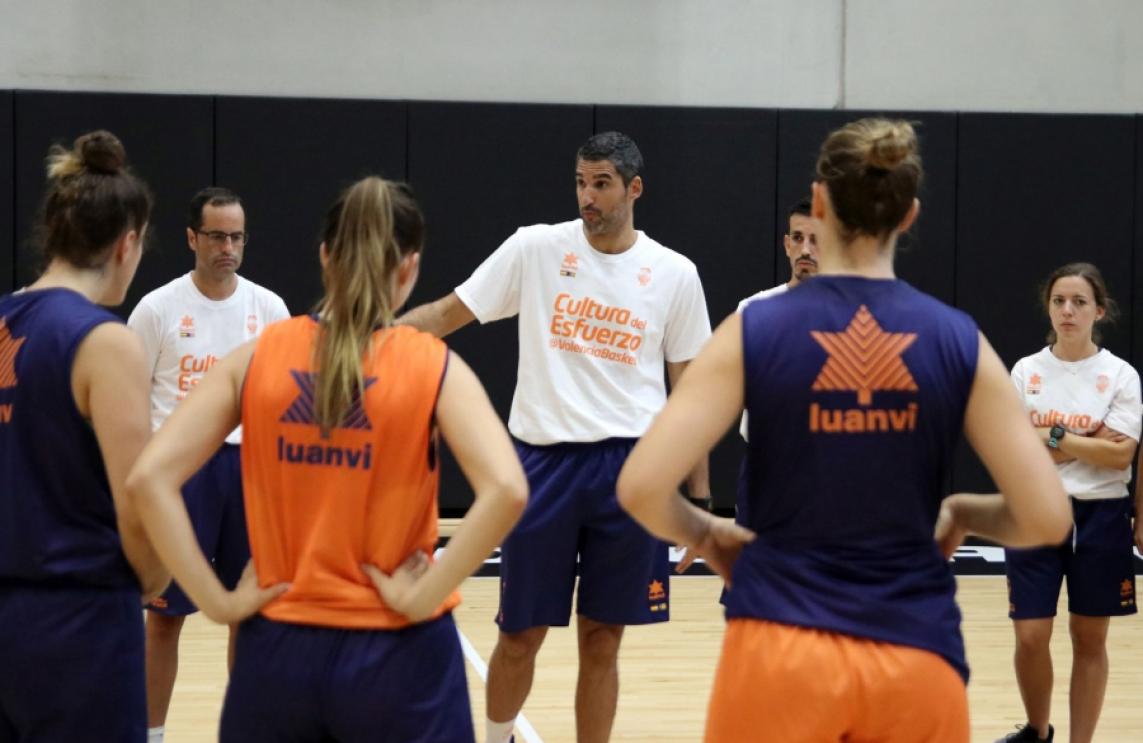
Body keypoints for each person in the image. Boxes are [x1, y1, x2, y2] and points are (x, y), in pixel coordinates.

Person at [616, 118, 1073, 743]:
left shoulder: (755, 328)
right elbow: (1047, 517)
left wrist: (710, 534)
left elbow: (640, 487)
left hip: (779, 651)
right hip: (917, 656)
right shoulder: (956, 338)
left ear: (821, 202)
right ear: (909, 215)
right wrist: (963, 512)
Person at [126, 176, 527, 742]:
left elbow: (148, 478)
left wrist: (217, 602)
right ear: (409, 268)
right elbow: (508, 490)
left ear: (324, 258)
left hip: (277, 653)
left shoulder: (256, 356)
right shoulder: (431, 364)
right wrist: (424, 594)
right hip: (399, 649)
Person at [398, 131, 712, 743]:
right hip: (543, 466)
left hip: (632, 472)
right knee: (519, 634)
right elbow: (446, 314)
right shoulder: (536, 248)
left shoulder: (675, 274)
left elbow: (691, 391)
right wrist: (362, 340)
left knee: (603, 639)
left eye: (601, 184)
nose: (587, 197)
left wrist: (697, 500)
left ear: (634, 189)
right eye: (580, 183)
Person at [0, 130, 167, 741]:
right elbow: (138, 503)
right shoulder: (104, 341)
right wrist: (155, 578)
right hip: (77, 622)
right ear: (128, 243)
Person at [127, 187, 290, 743]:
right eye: (217, 236)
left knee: (250, 613)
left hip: (250, 472)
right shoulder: (157, 309)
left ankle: (244, 731)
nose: (228, 248)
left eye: (237, 237)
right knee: (164, 616)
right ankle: (151, 734)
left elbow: (285, 402)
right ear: (192, 238)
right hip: (181, 472)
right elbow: (129, 400)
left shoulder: (269, 310)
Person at [996, 263, 1140, 743]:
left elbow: (1121, 455)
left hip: (1101, 513)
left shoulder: (1119, 375)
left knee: (1089, 638)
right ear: (1048, 308)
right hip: (1034, 511)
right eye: (1059, 301)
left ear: (1099, 311)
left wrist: (1052, 436)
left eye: (1079, 302)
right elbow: (1015, 447)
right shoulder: (1026, 372)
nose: (1068, 311)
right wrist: (1087, 440)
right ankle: (1038, 731)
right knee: (1030, 635)